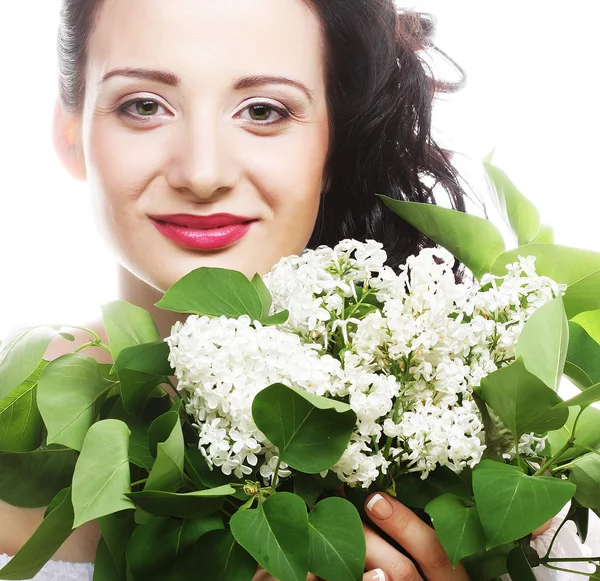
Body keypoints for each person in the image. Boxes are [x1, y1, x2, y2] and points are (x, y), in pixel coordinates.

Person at [0, 0, 598, 580]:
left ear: (333, 141)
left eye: (263, 111)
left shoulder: (487, 440)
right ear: (69, 127)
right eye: (144, 105)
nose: (203, 173)